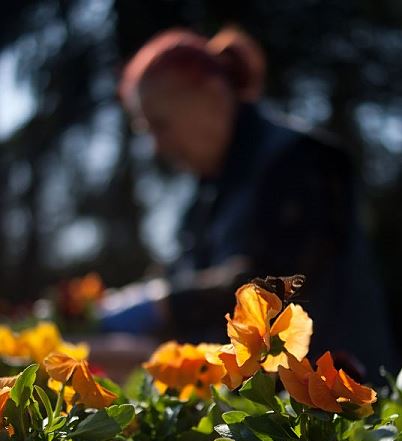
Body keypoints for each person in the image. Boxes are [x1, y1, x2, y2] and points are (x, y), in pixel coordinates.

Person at [98, 27, 399, 383]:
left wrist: (160, 305)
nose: (157, 147)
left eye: (160, 125)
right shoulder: (204, 198)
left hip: (342, 406)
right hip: (256, 414)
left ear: (210, 96)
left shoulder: (304, 161)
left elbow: (278, 283)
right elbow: (184, 277)